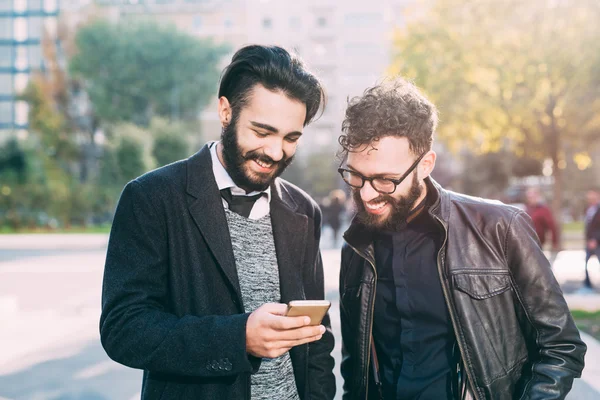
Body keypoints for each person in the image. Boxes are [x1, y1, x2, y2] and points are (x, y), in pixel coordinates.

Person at [100, 45, 335, 400]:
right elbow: (124, 329)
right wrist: (237, 338)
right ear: (225, 111)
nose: (275, 152)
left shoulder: (303, 209)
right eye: (262, 131)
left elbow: (316, 337)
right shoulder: (151, 197)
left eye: (290, 138)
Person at [336, 78, 586, 400]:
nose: (367, 194)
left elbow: (561, 346)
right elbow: (354, 369)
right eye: (356, 175)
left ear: (425, 165)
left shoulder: (500, 227)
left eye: (385, 180)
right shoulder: (356, 246)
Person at [524, 187, 560, 251]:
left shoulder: (543, 210)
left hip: (538, 242)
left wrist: (554, 242)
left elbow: (552, 225)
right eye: (529, 197)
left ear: (538, 197)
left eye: (533, 197)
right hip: (526, 242)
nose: (531, 199)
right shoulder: (527, 209)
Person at [583, 189, 600, 290]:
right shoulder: (589, 208)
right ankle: (587, 284)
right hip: (590, 242)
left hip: (597, 242)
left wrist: (595, 239)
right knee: (586, 264)